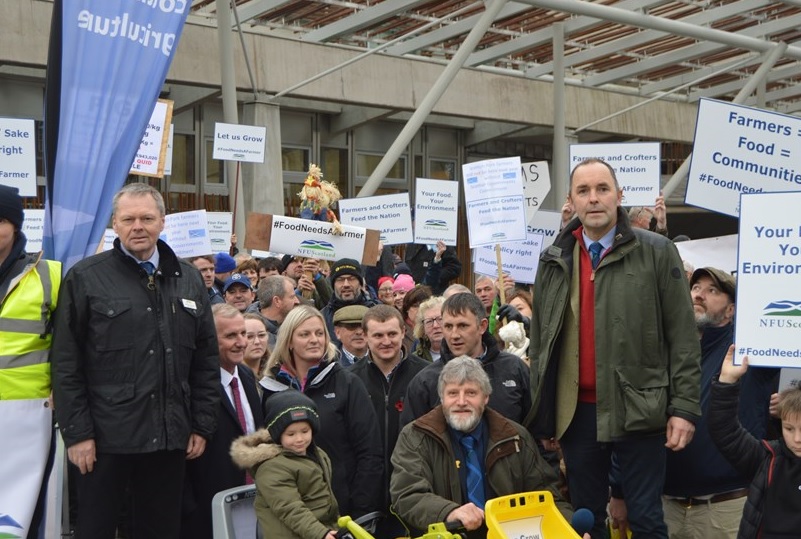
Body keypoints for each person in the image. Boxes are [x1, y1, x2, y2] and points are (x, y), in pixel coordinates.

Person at [527, 158, 701, 538]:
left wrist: (684, 408)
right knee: (587, 521)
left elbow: (683, 337)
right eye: (584, 191)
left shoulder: (656, 251)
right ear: (570, 201)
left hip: (640, 408)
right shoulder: (553, 257)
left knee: (646, 521)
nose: (594, 199)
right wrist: (545, 415)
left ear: (619, 196)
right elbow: (541, 342)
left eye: (602, 189)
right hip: (577, 415)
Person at [51, 183, 220, 538]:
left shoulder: (188, 279)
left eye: (146, 218)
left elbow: (205, 360)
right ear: (115, 223)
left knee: (160, 531)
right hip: (104, 440)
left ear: (162, 222)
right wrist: (78, 434)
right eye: (128, 219)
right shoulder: (85, 277)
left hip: (170, 437)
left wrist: (201, 425)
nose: (137, 226)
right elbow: (66, 363)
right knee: (95, 529)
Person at [649, 268, 775, 539]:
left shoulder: (748, 351)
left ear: (731, 310)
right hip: (667, 505)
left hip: (725, 508)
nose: (698, 295)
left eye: (712, 290)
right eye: (695, 288)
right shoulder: (669, 351)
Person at [390, 356, 573, 539]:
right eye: (453, 393)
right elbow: (407, 494)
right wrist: (449, 512)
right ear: (442, 398)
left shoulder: (515, 437)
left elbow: (549, 496)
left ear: (486, 398)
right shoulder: (415, 436)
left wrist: (569, 529)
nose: (461, 402)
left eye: (470, 393)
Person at [259, 305, 383, 518]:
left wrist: (360, 509)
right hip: (290, 510)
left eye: (319, 333)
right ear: (289, 341)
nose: (314, 339)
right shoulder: (271, 389)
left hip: (342, 511)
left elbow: (370, 452)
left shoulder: (347, 383)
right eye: (304, 334)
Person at [0, 184, 61, 536]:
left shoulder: (49, 274)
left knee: (19, 516)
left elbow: (67, 346)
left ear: (17, 225)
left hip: (28, 420)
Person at [182, 304, 263, 539]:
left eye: (243, 334)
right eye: (230, 336)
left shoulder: (246, 376)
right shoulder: (190, 386)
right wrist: (189, 509)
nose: (241, 342)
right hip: (204, 513)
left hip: (250, 505)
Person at [349, 305, 428, 538]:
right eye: (378, 335)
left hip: (415, 491)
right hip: (366, 499)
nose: (386, 341)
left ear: (404, 332)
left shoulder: (425, 376)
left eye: (392, 334)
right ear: (365, 336)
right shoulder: (349, 380)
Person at [708, 346, 801, 538]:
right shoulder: (767, 458)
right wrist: (727, 381)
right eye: (789, 429)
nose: (797, 439)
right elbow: (726, 432)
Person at [401, 292, 531, 426]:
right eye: (448, 326)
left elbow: (534, 431)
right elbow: (412, 439)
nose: (454, 335)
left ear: (482, 326)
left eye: (462, 326)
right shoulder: (425, 382)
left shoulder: (514, 369)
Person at [231, 390, 339, 539]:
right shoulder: (272, 468)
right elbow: (291, 509)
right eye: (291, 434)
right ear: (277, 434)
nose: (300, 438)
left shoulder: (317, 454)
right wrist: (321, 533)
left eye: (305, 431)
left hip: (318, 530)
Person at [320, 258, 378, 347]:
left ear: (360, 283)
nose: (346, 284)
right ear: (333, 284)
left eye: (351, 279)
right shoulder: (323, 318)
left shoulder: (377, 311)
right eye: (340, 279)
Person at [248, 275, 300, 347]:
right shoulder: (257, 342)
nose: (297, 301)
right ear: (277, 301)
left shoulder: (294, 325)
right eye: (292, 297)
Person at [413, 296, 445, 362]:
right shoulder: (415, 360)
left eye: (440, 319)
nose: (435, 326)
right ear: (422, 328)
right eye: (429, 321)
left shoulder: (463, 353)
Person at [400, 285, 432, 352]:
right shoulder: (399, 328)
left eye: (423, 305)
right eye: (415, 306)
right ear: (407, 309)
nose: (420, 309)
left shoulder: (434, 327)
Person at [243, 313, 270, 377]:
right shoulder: (233, 376)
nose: (257, 342)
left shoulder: (278, 372)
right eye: (249, 337)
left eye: (261, 335)